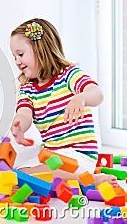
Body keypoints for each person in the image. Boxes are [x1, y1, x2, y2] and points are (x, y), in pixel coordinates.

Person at [9, 18, 118, 187]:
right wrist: (19, 125)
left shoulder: (69, 75)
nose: (17, 61)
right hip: (51, 155)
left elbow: (97, 94)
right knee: (21, 169)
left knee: (50, 169)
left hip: (78, 155)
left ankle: (91, 180)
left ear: (40, 49)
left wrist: (81, 97)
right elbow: (24, 113)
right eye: (14, 56)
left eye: (21, 54)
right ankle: (35, 178)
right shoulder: (27, 89)